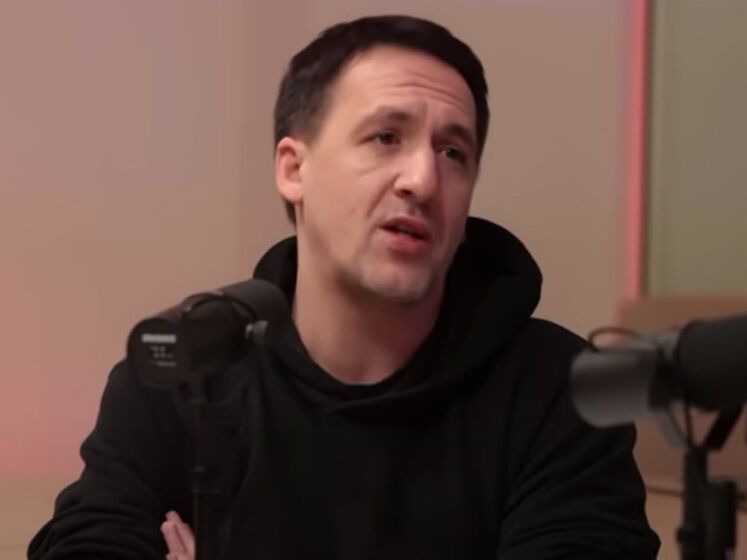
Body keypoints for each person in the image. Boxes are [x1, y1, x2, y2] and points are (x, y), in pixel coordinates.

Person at [29, 14, 660, 559]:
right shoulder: (184, 370)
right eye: (386, 137)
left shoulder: (559, 389)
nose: (422, 180)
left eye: (453, 152)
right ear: (293, 169)